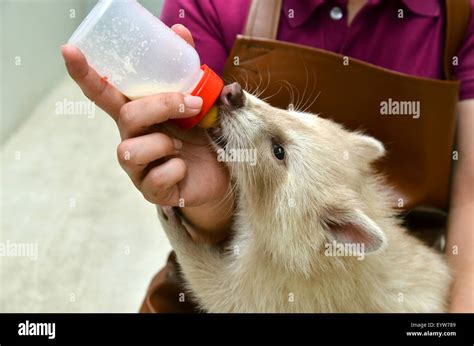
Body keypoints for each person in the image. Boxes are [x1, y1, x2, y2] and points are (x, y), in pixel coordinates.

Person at [61, 0, 474, 312]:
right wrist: (205, 204)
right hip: (234, 240)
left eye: (279, 150)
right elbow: (232, 288)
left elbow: (471, 198)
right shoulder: (208, 7)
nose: (242, 97)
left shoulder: (460, 13)